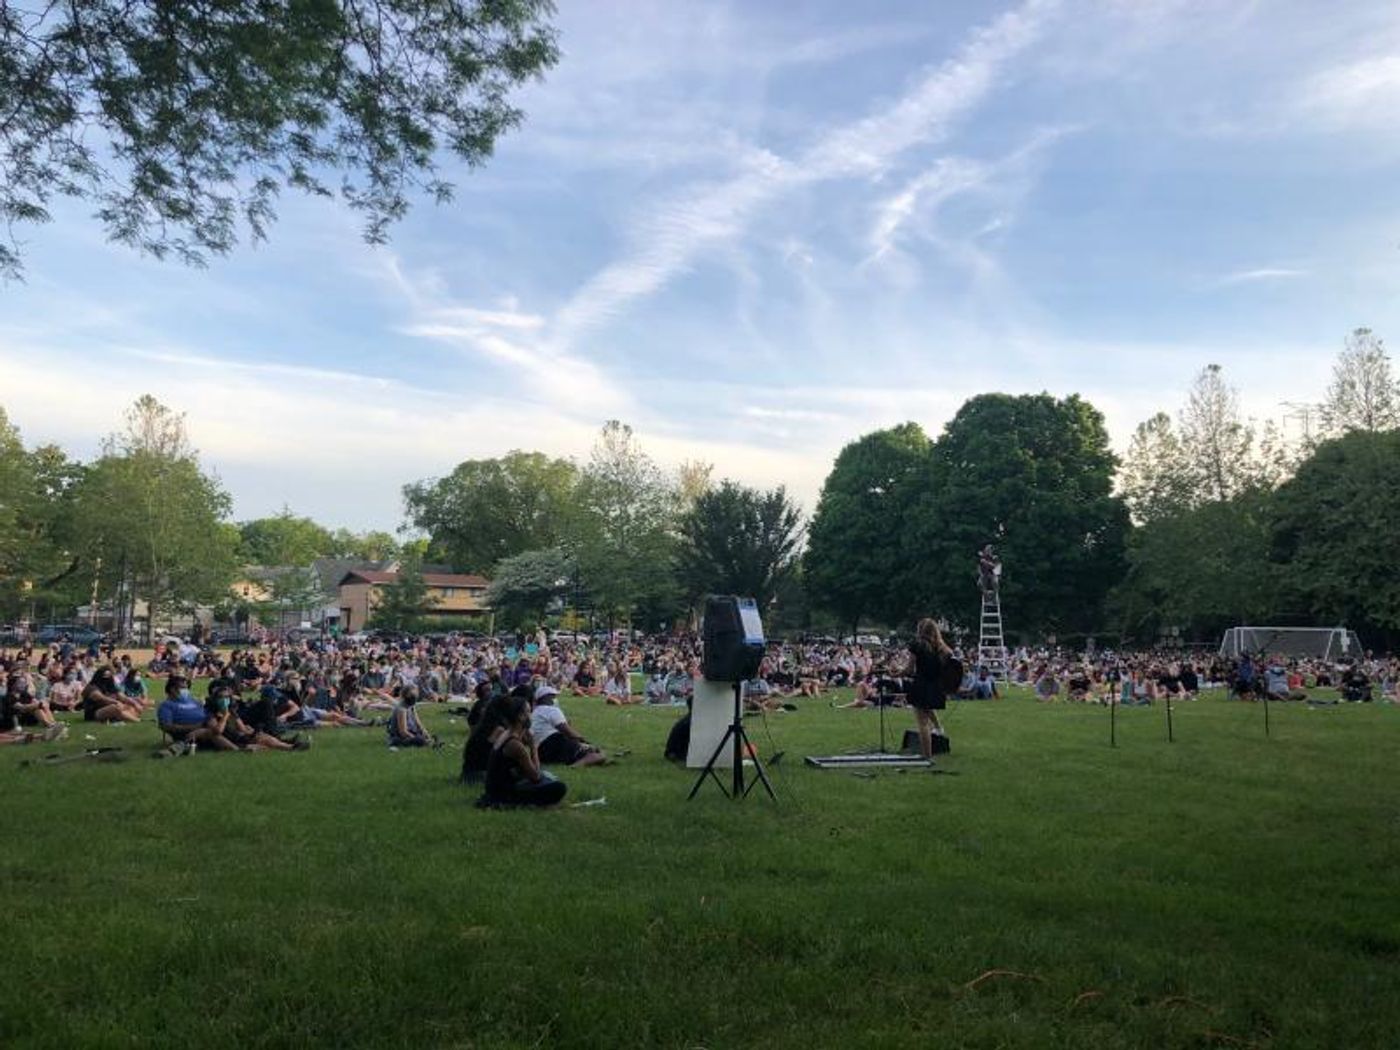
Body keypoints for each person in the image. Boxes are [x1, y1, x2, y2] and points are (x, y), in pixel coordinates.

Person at [477, 694, 567, 808]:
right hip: (503, 795)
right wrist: (533, 747)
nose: (531, 715)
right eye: (529, 712)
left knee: (548, 776)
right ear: (520, 716)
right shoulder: (515, 745)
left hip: (497, 788)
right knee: (559, 787)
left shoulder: (505, 733)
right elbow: (536, 776)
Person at [906, 618, 952, 761]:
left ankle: (926, 756)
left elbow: (909, 669)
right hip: (936, 686)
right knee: (927, 710)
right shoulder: (943, 649)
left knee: (922, 722)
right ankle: (938, 728)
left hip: (921, 684)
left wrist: (896, 673)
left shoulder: (917, 645)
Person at [530, 684, 605, 767]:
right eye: (553, 697)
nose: (555, 699)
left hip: (540, 752)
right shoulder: (551, 710)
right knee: (598, 755)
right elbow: (568, 731)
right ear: (546, 698)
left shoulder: (535, 712)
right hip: (553, 744)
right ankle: (576, 766)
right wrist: (585, 742)